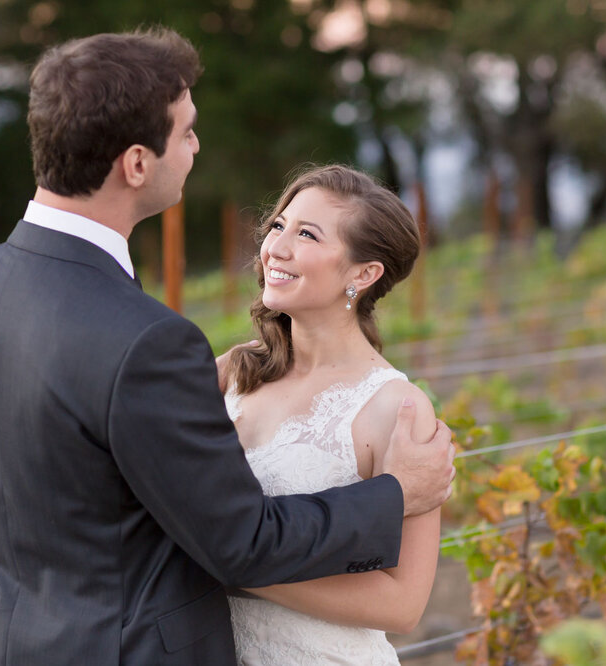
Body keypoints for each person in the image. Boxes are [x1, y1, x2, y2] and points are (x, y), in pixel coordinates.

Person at [0, 28, 455, 666]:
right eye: (185, 132)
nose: (195, 147)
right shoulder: (149, 344)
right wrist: (397, 493)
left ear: (365, 273)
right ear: (135, 164)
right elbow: (235, 544)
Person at [218, 164, 442, 665]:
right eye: (278, 226)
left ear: (364, 274)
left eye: (307, 235)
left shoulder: (396, 408)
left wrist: (233, 567)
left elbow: (404, 605)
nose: (277, 246)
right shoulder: (230, 372)